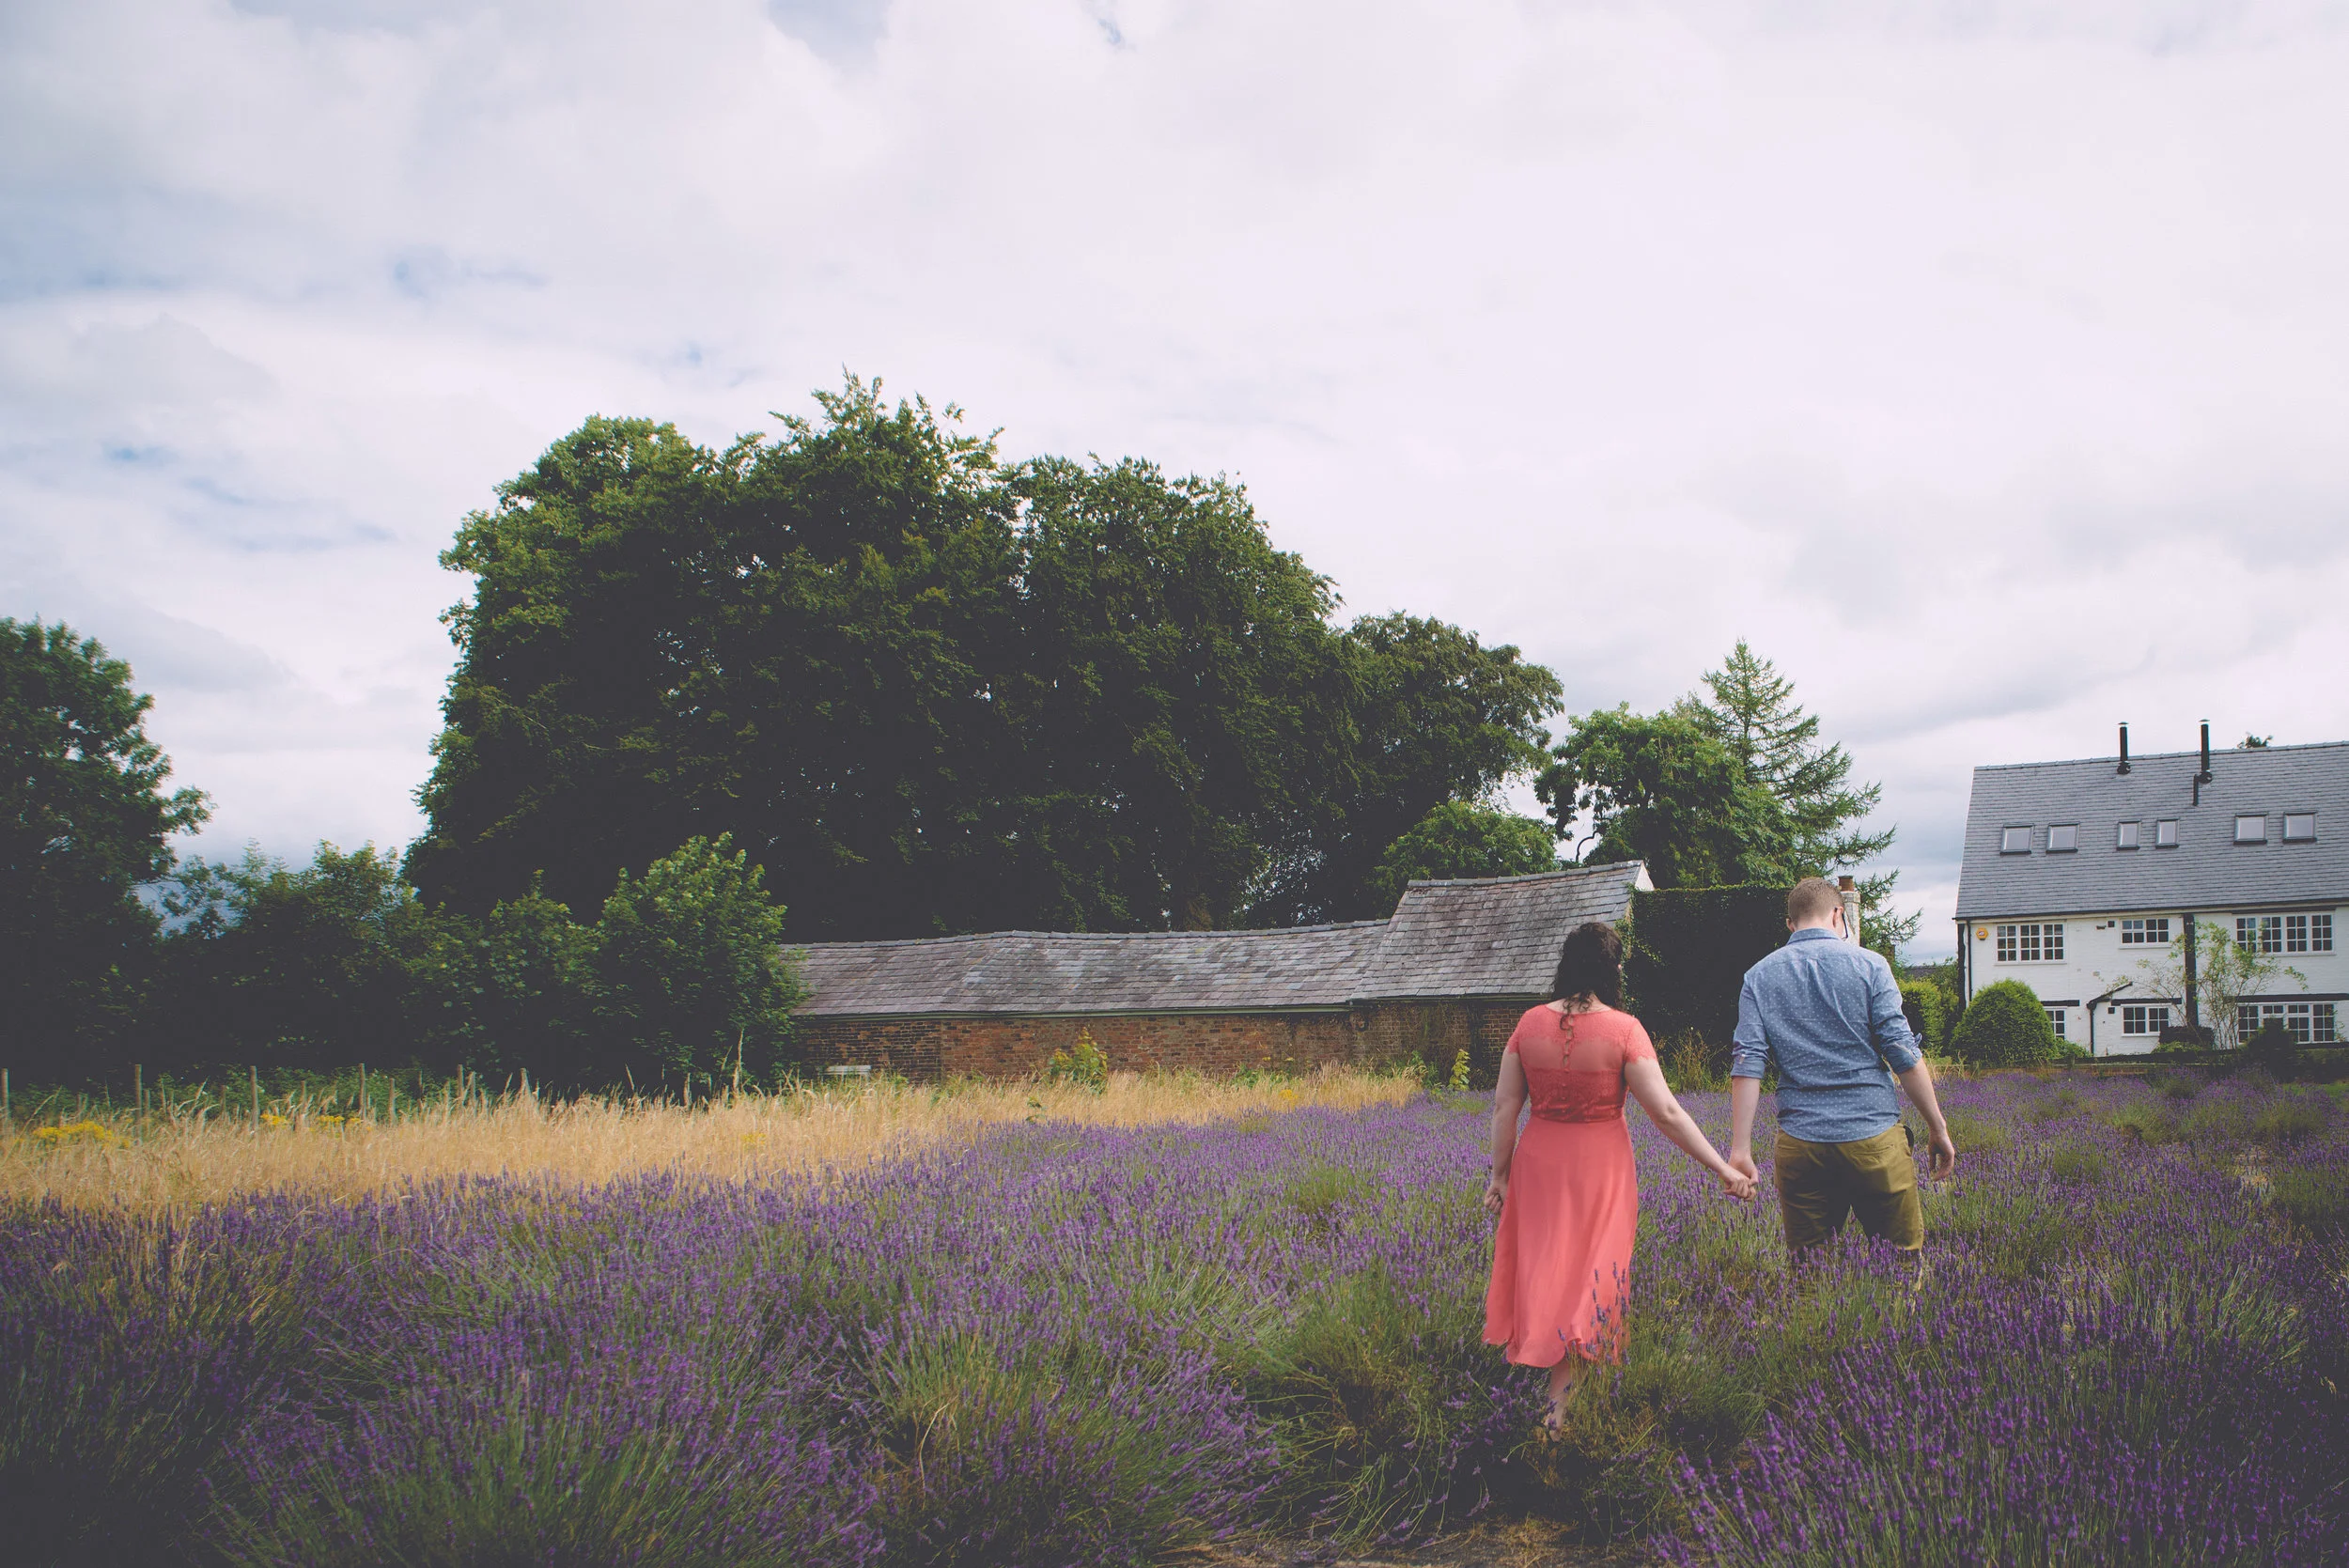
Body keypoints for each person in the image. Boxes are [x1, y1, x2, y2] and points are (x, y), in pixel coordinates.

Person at [1484, 921, 1756, 1429]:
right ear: (1613, 969)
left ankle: (1559, 1392)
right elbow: (1667, 1113)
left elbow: (1505, 1106)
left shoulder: (1528, 1025)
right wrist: (1722, 1167)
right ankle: (1559, 1411)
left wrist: (1499, 1176)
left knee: (1549, 1267)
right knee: (1592, 1273)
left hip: (1538, 1164)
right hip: (1600, 1169)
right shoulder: (1625, 1030)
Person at [1726, 877, 1957, 1260]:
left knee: (1810, 1271)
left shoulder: (1759, 977)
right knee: (1900, 1265)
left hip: (1802, 1144)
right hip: (1874, 1139)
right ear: (1838, 915)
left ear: (1790, 924)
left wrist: (1740, 1149)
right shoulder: (1871, 966)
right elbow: (1902, 1053)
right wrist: (1938, 1128)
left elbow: (1747, 1064)